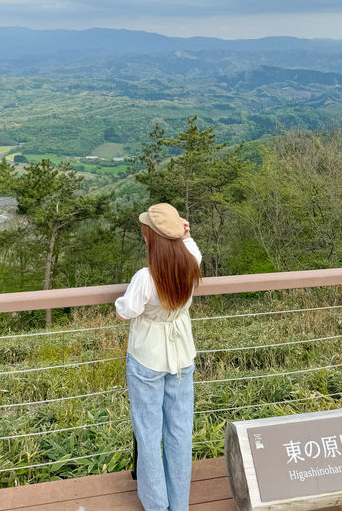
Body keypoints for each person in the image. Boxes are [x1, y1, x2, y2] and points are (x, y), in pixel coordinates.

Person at [115, 203, 202, 511]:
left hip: (147, 356)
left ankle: (156, 504)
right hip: (182, 354)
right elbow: (191, 247)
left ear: (150, 236)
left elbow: (126, 311)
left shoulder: (146, 277)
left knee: (149, 431)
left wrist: (117, 301)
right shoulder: (192, 262)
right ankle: (179, 504)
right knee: (179, 429)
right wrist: (185, 234)